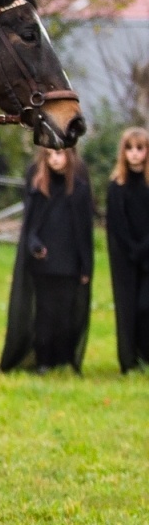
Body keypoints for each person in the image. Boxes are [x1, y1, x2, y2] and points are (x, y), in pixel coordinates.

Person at [0, 146, 93, 374]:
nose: (55, 159)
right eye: (49, 155)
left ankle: (63, 359)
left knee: (65, 312)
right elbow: (31, 226)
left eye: (59, 154)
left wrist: (85, 266)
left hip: (69, 263)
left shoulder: (79, 190)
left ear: (69, 156)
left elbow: (84, 232)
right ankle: (44, 360)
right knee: (45, 313)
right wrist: (35, 246)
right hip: (44, 263)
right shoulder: (39, 188)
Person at [105, 126, 149, 373]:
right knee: (128, 308)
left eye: (140, 148)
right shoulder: (117, 185)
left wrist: (143, 248)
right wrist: (132, 249)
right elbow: (116, 223)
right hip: (126, 258)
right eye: (129, 148)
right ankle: (130, 358)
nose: (134, 154)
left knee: (145, 306)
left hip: (147, 255)